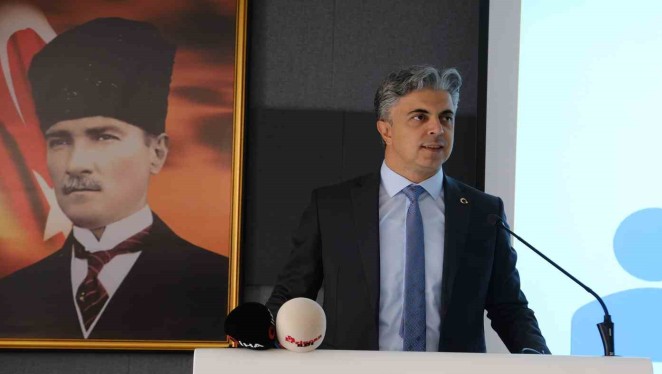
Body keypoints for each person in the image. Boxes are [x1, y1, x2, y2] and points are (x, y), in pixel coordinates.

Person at [266, 65, 549, 353]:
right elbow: (291, 295)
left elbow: (509, 307)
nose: (437, 129)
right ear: (386, 130)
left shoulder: (483, 212)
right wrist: (259, 334)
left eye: (446, 117)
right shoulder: (333, 208)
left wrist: (542, 362)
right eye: (419, 117)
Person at [0, 18, 228, 341]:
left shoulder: (217, 287)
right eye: (59, 141)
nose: (75, 164)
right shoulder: (12, 296)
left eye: (104, 137)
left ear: (157, 152)